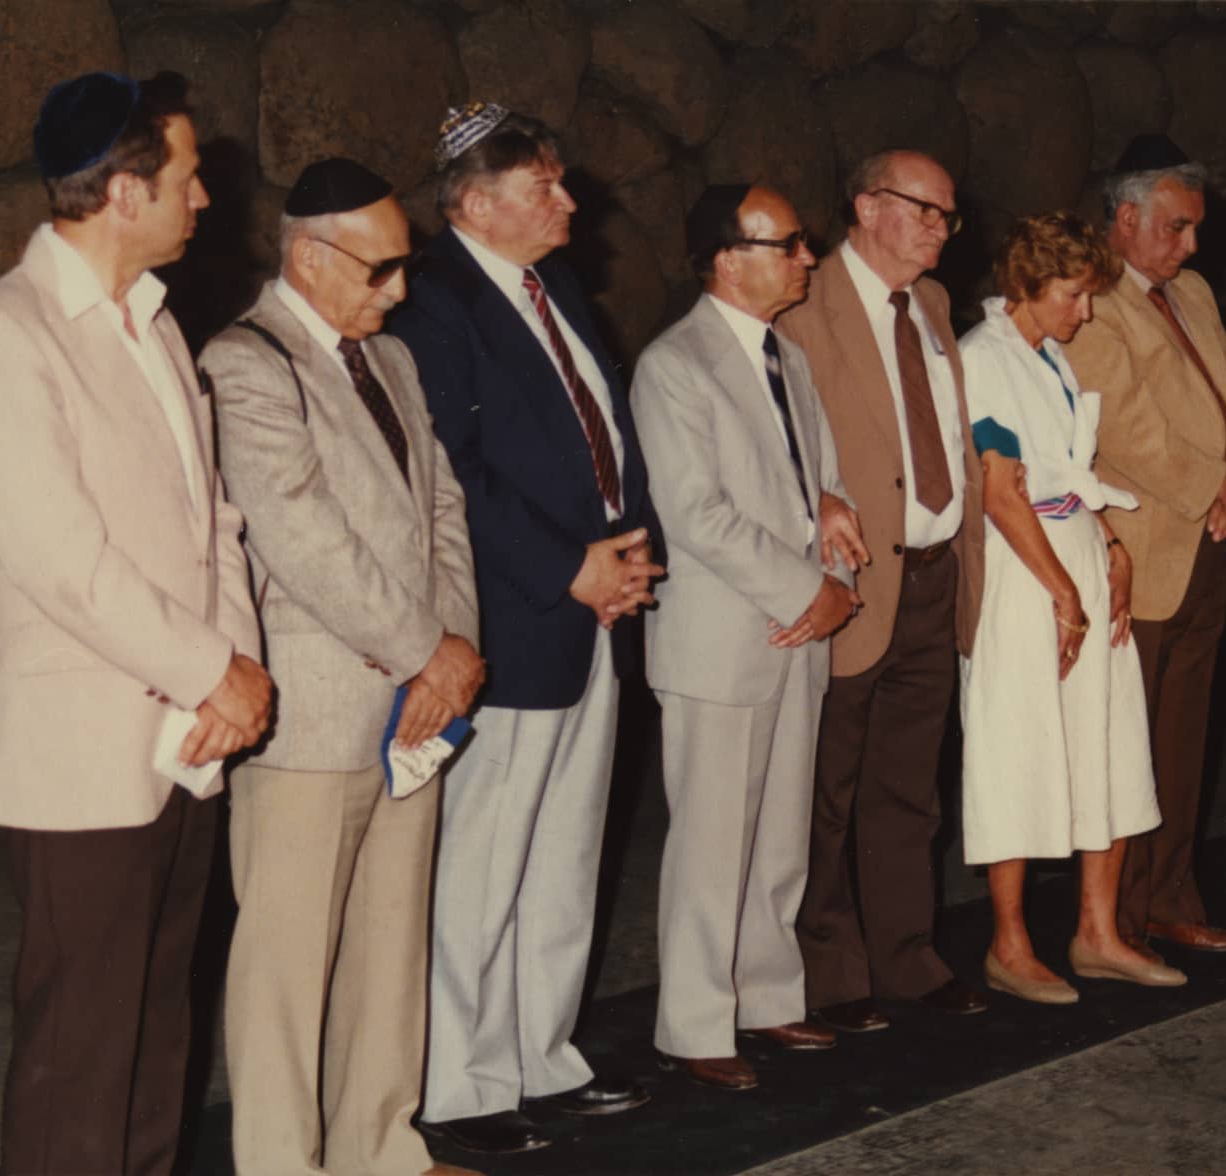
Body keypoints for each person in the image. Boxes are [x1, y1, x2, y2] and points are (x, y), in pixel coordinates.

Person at [0, 71, 272, 1173]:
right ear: (125, 193)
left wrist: (236, 671)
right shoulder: (6, 333)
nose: (205, 200)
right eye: (185, 178)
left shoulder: (155, 325)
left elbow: (209, 517)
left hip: (182, 740)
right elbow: (63, 561)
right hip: (81, 753)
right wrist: (207, 670)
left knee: (156, 1031)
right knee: (80, 1048)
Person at [388, 103, 661, 1156]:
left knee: (563, 852)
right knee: (485, 859)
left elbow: (604, 440)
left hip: (591, 619)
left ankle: (543, 1056)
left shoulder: (554, 291)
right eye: (544, 186)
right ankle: (460, 1084)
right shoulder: (437, 305)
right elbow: (455, 477)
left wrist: (630, 553)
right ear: (475, 203)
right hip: (508, 625)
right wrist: (568, 567)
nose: (569, 201)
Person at [201, 158, 483, 1176]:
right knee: (286, 969)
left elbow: (441, 511)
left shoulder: (393, 362)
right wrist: (427, 650)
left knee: (387, 951)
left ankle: (383, 1150)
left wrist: (446, 660)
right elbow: (303, 540)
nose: (398, 291)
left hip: (413, 707)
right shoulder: (243, 364)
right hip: (315, 716)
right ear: (311, 256)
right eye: (380, 271)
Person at [633, 185, 868, 1089]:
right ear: (727, 258)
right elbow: (694, 514)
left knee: (779, 835)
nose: (807, 258)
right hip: (724, 633)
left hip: (798, 628)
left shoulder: (789, 359)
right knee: (711, 839)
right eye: (790, 244)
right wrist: (808, 587)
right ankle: (694, 1024)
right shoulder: (675, 364)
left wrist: (835, 587)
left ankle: (769, 998)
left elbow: (829, 491)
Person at [776, 149, 988, 1030]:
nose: (941, 227)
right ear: (866, 207)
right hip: (853, 581)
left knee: (908, 783)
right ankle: (829, 970)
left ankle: (907, 957)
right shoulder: (800, 311)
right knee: (828, 786)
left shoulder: (932, 306)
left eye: (948, 213)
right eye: (924, 209)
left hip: (933, 575)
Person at [958, 212, 1186, 1003]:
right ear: (1025, 287)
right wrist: (1063, 593)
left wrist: (1112, 553)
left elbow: (1068, 476)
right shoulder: (983, 358)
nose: (1082, 312)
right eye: (1071, 295)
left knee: (1111, 740)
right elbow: (1000, 490)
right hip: (1026, 577)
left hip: (1079, 551)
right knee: (1018, 745)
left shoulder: (1048, 356)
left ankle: (1097, 933)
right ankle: (1008, 945)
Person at [1064, 134, 1226, 958]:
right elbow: (1124, 428)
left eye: (1193, 231)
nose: (1192, 247)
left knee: (1183, 739)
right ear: (1125, 218)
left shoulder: (1193, 296)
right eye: (1178, 228)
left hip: (1209, 552)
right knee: (1128, 745)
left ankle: (1170, 895)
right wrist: (1213, 488)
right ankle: (1111, 915)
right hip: (1145, 551)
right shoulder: (1094, 300)